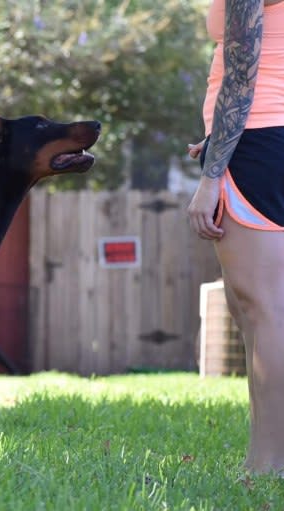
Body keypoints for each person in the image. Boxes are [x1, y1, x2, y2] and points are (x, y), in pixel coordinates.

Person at [187, 0, 284, 475]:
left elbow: (243, 74)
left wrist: (210, 176)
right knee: (256, 310)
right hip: (263, 136)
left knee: (263, 309)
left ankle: (267, 466)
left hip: (259, 138)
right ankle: (263, 459)